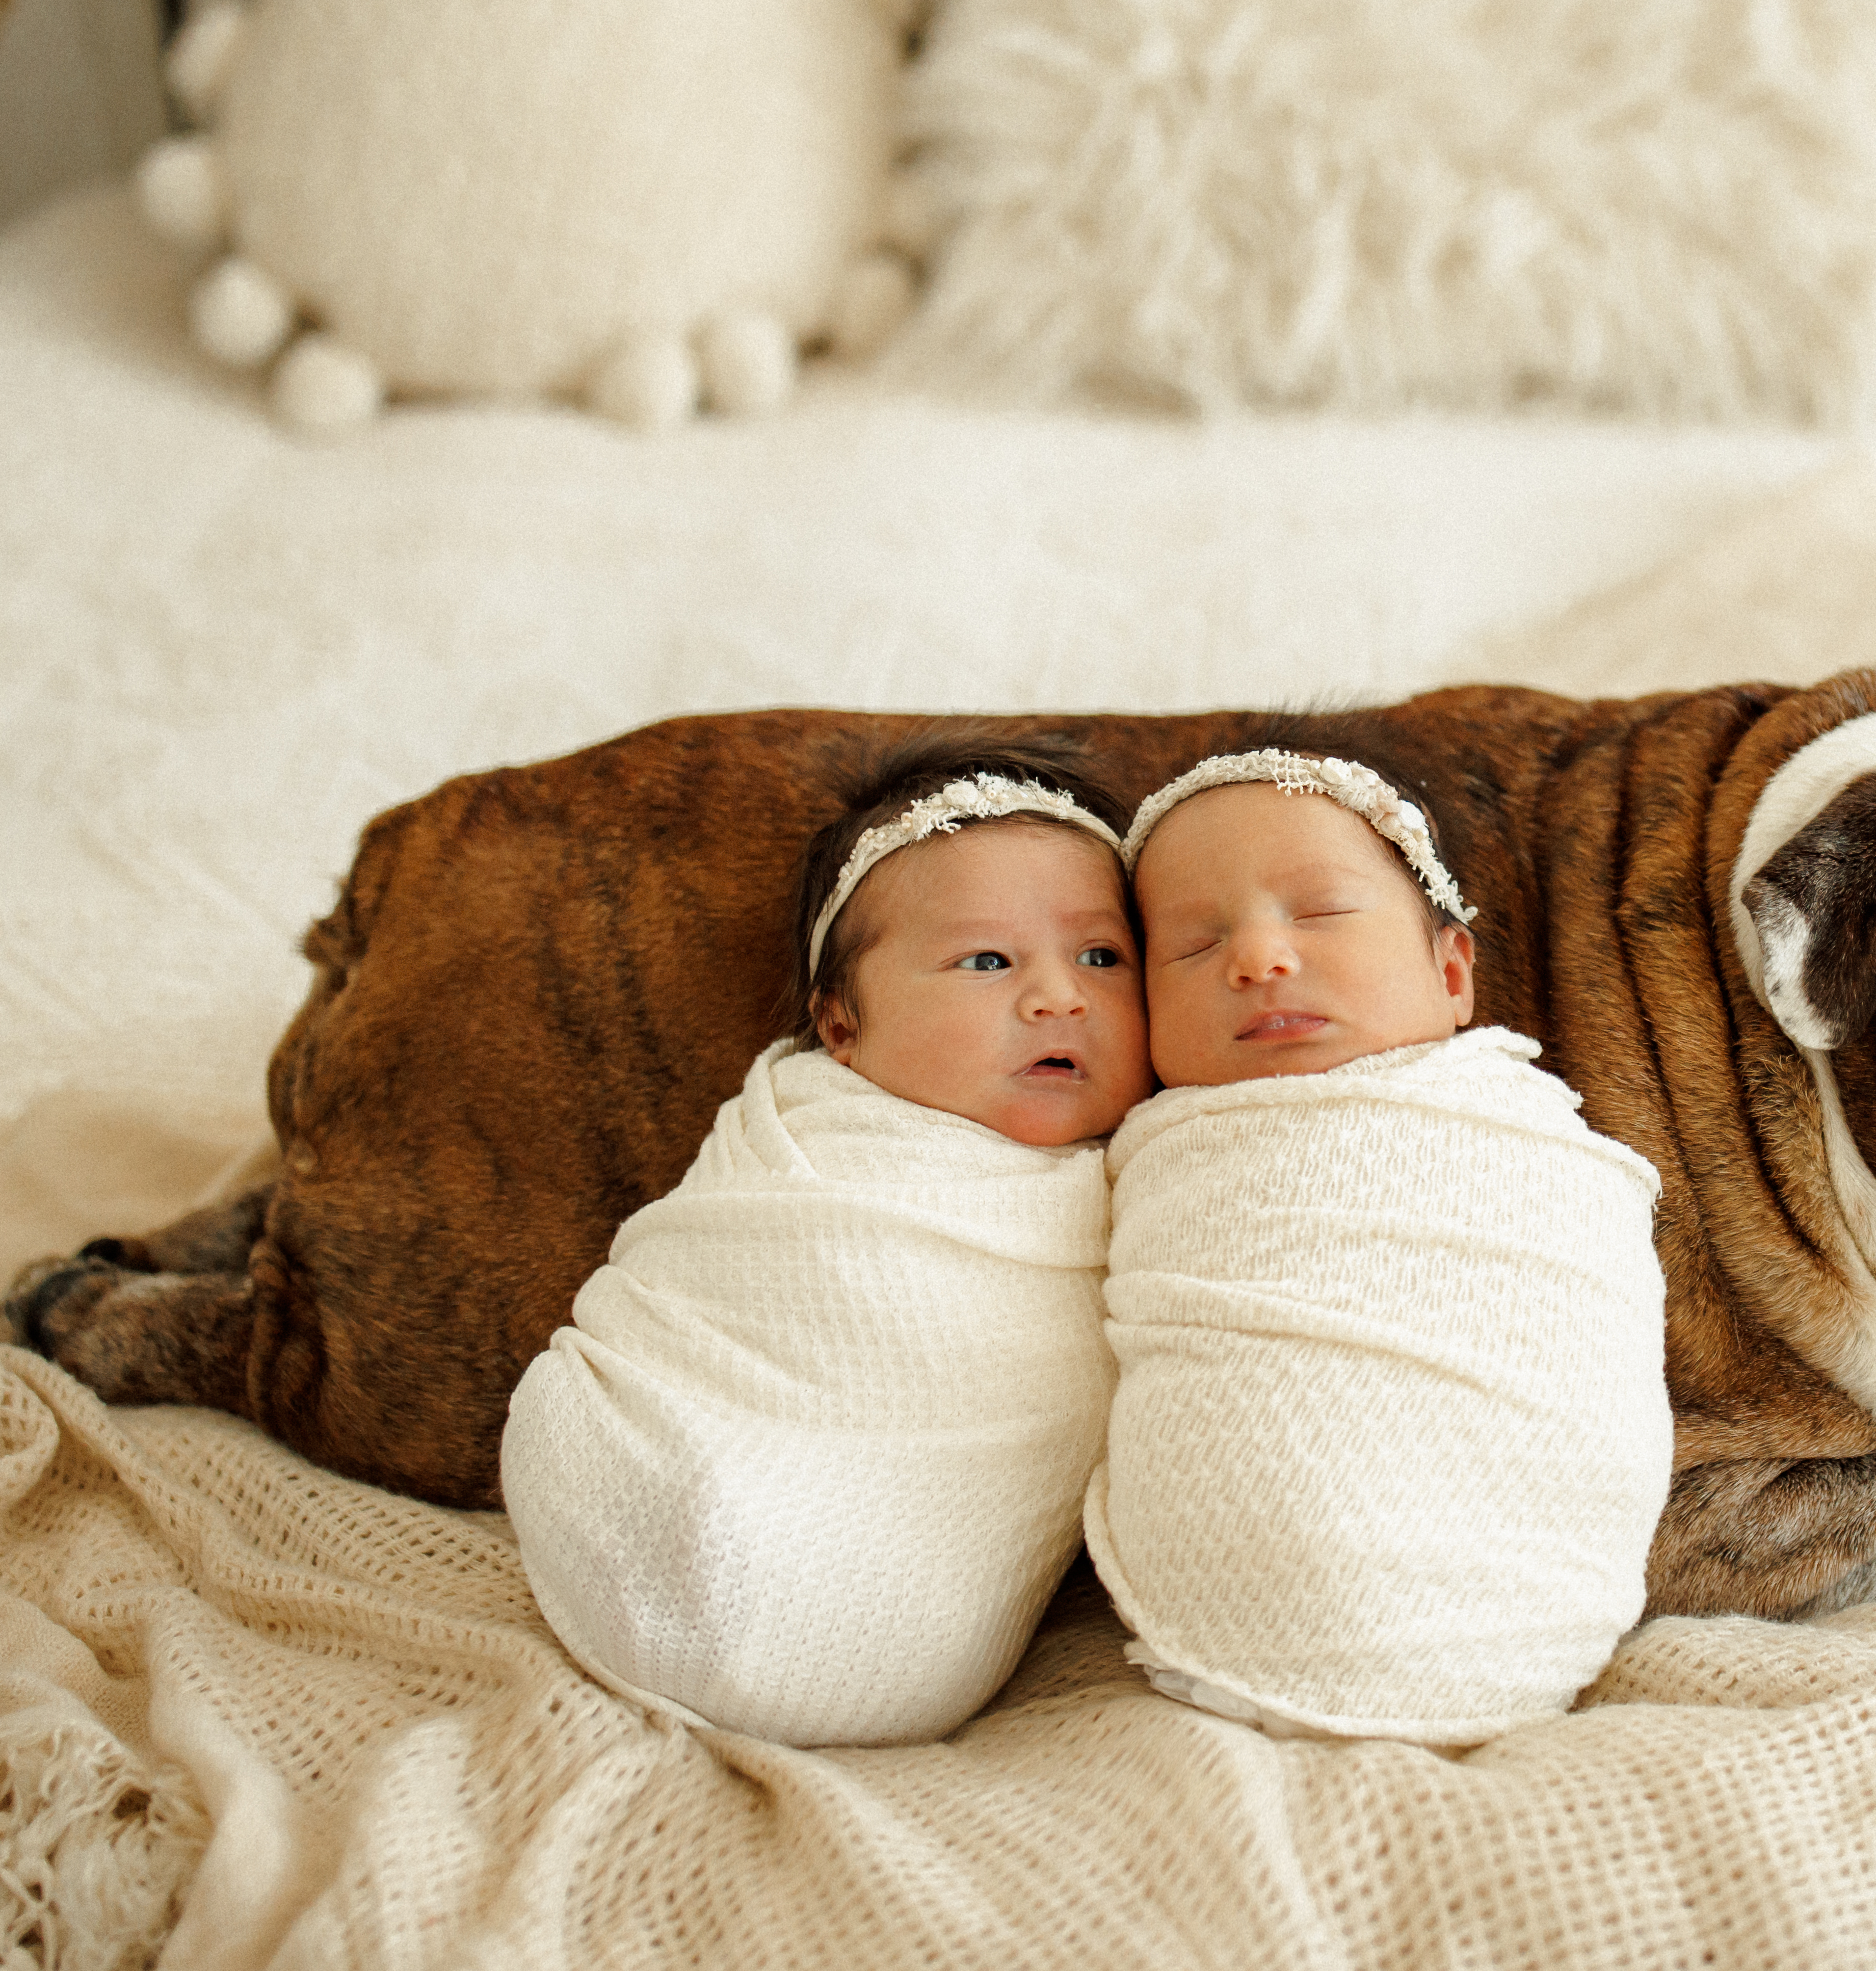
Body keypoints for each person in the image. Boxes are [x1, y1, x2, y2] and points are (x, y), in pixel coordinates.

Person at [500, 744, 1151, 1747]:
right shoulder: (794, 1118)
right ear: (841, 1025)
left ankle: (805, 1615)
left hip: (894, 1613)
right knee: (561, 1406)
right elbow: (704, 1275)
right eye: (988, 961)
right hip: (644, 1467)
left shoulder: (1138, 1173)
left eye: (1102, 957)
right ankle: (666, 1524)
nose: (1057, 997)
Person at [1086, 748, 1673, 1745]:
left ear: (1451, 975)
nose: (1258, 959)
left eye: (1318, 912)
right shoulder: (1170, 1149)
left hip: (1535, 1601)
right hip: (1234, 1614)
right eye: (1191, 945)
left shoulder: (1518, 1132)